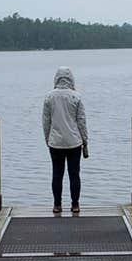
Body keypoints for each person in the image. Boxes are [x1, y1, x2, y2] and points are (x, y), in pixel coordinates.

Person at [42, 67, 88, 214]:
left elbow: (46, 121)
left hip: (55, 143)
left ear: (56, 78)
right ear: (71, 79)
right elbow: (81, 121)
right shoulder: (76, 97)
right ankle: (75, 205)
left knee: (57, 173)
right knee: (74, 174)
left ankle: (57, 205)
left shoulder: (49, 97)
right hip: (74, 142)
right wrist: (85, 141)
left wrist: (47, 138)